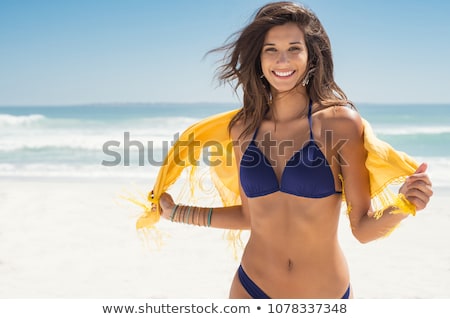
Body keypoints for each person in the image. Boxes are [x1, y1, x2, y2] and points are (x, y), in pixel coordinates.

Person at [148, 1, 433, 299]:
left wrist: (403, 206)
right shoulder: (243, 128)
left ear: (311, 56)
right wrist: (177, 212)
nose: (282, 60)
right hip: (250, 287)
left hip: (323, 296)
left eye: (294, 48)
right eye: (271, 49)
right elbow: (250, 216)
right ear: (258, 57)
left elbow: (362, 228)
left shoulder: (338, 124)